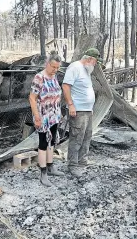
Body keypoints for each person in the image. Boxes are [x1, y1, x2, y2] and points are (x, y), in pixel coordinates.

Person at [61, 48, 102, 177]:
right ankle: (73, 165)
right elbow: (66, 86)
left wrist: (90, 107)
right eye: (95, 61)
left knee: (87, 136)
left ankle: (82, 161)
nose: (96, 64)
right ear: (89, 59)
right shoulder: (75, 67)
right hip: (78, 110)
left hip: (87, 110)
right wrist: (71, 105)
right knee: (77, 137)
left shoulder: (86, 70)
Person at [29, 51, 65, 187]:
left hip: (54, 115)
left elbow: (56, 95)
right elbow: (32, 98)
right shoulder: (39, 78)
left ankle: (51, 167)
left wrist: (59, 112)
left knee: (52, 142)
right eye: (53, 67)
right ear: (47, 64)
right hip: (43, 116)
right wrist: (37, 116)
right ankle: (43, 173)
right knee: (43, 143)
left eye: (57, 68)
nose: (55, 70)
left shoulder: (54, 77)